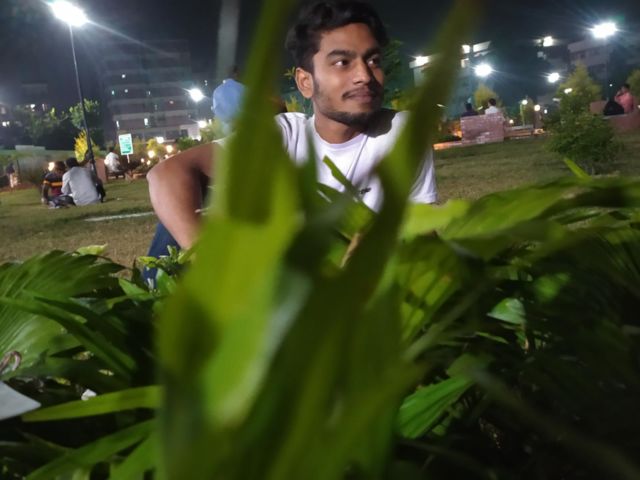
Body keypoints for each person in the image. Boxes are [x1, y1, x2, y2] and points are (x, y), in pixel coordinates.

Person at [148, 0, 437, 250]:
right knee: (177, 223)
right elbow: (166, 174)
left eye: (373, 60)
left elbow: (422, 234)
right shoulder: (285, 136)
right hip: (278, 276)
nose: (364, 75)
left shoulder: (403, 133)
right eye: (342, 62)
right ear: (305, 82)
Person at [212, 66, 246, 134]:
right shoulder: (242, 88)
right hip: (244, 125)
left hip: (229, 129)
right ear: (235, 74)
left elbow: (217, 110)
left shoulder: (217, 91)